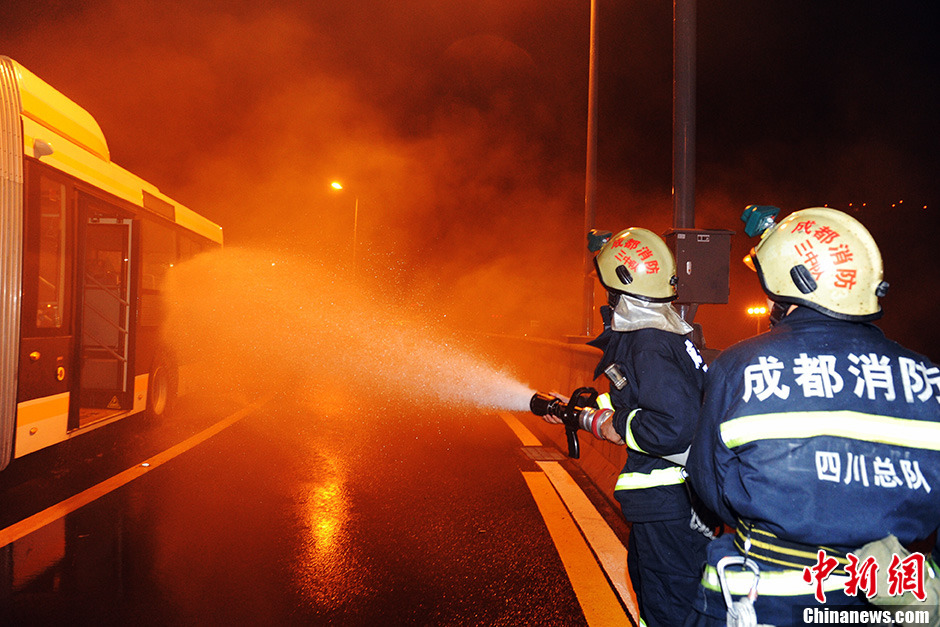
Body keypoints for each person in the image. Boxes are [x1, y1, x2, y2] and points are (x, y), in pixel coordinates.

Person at [685, 207, 940, 626]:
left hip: (767, 602)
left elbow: (711, 486)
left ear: (796, 282)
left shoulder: (742, 366)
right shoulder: (927, 376)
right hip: (892, 600)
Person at [554, 227, 712, 626]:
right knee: (655, 594)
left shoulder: (648, 341)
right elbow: (650, 400)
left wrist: (616, 423)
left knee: (671, 608)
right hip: (674, 501)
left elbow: (674, 423)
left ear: (619, 286)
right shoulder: (664, 332)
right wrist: (593, 410)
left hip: (671, 502)